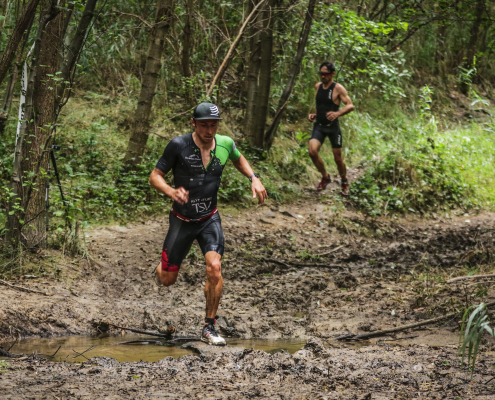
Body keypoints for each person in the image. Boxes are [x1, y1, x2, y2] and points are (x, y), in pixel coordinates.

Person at [149, 102, 268, 345]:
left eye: (213, 125)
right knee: (167, 279)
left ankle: (209, 326)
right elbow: (155, 176)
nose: (209, 130)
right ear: (193, 123)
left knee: (214, 268)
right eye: (204, 125)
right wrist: (172, 192)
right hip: (182, 220)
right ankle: (161, 268)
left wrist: (253, 178)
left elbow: (238, 158)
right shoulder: (178, 145)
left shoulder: (225, 143)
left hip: (209, 219)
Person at [308, 61, 355, 195]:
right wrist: (314, 114)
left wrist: (338, 113)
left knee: (338, 159)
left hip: (333, 128)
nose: (323, 76)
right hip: (319, 126)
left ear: (332, 74)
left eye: (326, 74)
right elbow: (320, 105)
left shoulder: (338, 88)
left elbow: (350, 105)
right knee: (312, 152)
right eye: (321, 73)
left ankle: (344, 180)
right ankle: (325, 177)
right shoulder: (318, 86)